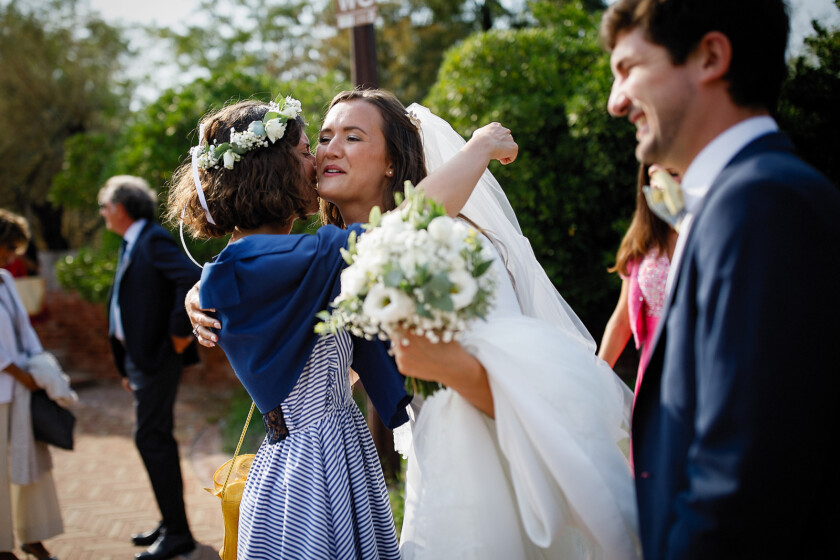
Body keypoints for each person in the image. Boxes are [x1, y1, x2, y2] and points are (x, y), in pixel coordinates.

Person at [168, 94, 517, 559]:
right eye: (306, 150)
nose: (318, 161)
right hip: (313, 467)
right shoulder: (273, 262)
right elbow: (399, 230)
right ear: (273, 170)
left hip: (333, 448)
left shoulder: (276, 261)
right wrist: (479, 147)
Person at [601, 1, 840, 558]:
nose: (616, 103)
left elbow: (746, 477)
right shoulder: (736, 201)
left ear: (710, 56)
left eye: (629, 69)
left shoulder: (763, 203)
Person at [389, 104, 640, 559]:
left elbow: (501, 365)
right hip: (443, 451)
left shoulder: (450, 242)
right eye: (324, 139)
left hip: (482, 449)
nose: (328, 151)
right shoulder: (368, 246)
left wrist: (479, 147)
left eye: (351, 137)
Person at [98, 176, 200, 560]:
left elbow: (189, 279)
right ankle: (170, 521)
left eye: (105, 206)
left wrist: (179, 334)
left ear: (121, 209)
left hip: (159, 360)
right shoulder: (134, 241)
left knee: (151, 439)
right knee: (154, 439)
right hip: (142, 363)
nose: (103, 214)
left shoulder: (152, 238)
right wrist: (126, 363)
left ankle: (178, 533)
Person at [0, 209, 62, 560]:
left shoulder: (6, 280)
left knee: (31, 464)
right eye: (8, 247)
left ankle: (32, 534)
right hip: (6, 385)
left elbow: (25, 329)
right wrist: (20, 373)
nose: (11, 255)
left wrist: (40, 368)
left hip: (23, 387)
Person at [599, 164, 679, 399]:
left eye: (673, 172)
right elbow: (622, 320)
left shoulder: (711, 230)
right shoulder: (642, 242)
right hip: (655, 368)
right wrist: (598, 374)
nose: (664, 183)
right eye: (656, 175)